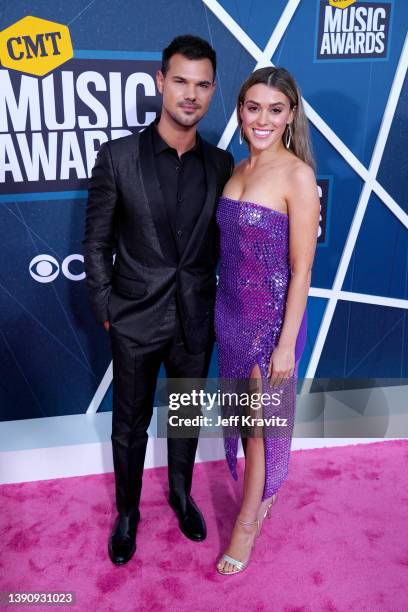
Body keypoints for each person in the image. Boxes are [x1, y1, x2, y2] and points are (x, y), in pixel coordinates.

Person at [83, 35, 234, 565]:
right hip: (133, 318)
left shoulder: (221, 164)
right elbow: (97, 242)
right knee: (129, 423)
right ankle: (128, 512)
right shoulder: (118, 157)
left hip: (195, 320)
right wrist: (107, 311)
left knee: (186, 417)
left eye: (201, 84)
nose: (189, 94)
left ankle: (181, 493)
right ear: (159, 82)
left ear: (213, 91)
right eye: (180, 81)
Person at [215, 67, 319, 574]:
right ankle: (261, 497)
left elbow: (301, 270)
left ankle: (246, 525)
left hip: (269, 323)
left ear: (290, 115)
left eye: (274, 110)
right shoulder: (237, 169)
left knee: (259, 428)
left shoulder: (297, 176)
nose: (262, 118)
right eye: (253, 107)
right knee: (241, 419)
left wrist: (283, 344)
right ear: (240, 110)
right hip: (229, 313)